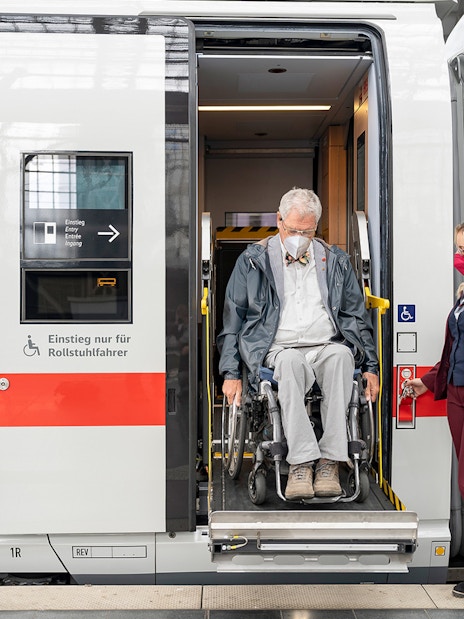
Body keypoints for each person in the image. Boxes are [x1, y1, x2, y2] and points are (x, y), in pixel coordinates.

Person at [217, 187, 379, 500]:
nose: (299, 236)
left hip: (324, 345)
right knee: (290, 363)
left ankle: (330, 460)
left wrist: (371, 365)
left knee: (343, 357)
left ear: (316, 228)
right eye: (292, 230)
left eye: (307, 231)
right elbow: (232, 320)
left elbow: (356, 317)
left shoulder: (334, 261)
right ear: (278, 221)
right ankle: (303, 461)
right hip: (277, 349)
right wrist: (230, 372)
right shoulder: (252, 261)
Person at [405, 222, 464, 598]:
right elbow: (453, 349)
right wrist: (426, 382)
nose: (460, 257)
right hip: (458, 394)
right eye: (459, 248)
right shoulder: (462, 295)